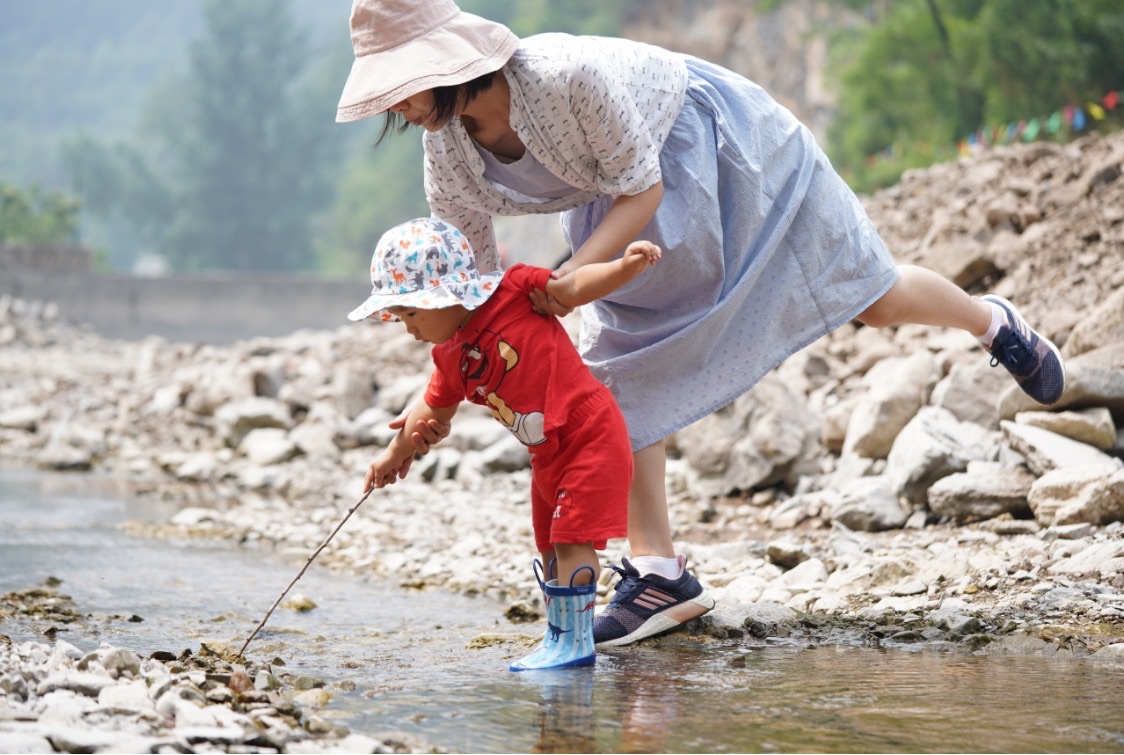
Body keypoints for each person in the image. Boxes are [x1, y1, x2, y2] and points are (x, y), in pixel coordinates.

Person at [335, 0, 1066, 648]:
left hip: (719, 148)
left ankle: (991, 324)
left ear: (447, 63)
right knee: (616, 372)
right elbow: (470, 289)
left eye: (402, 87)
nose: (397, 109)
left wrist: (568, 281)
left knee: (867, 291)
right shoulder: (446, 149)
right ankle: (659, 573)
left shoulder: (562, 78)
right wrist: (426, 408)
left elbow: (641, 183)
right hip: (622, 212)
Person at [350, 216, 663, 671]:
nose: (408, 330)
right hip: (545, 454)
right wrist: (392, 457)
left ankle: (576, 643)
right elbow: (429, 411)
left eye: (411, 314)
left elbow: (571, 287)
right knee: (550, 544)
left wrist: (624, 268)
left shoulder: (514, 290)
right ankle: (559, 635)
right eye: (399, 318)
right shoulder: (449, 356)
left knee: (574, 538)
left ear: (447, 295)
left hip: (588, 431)